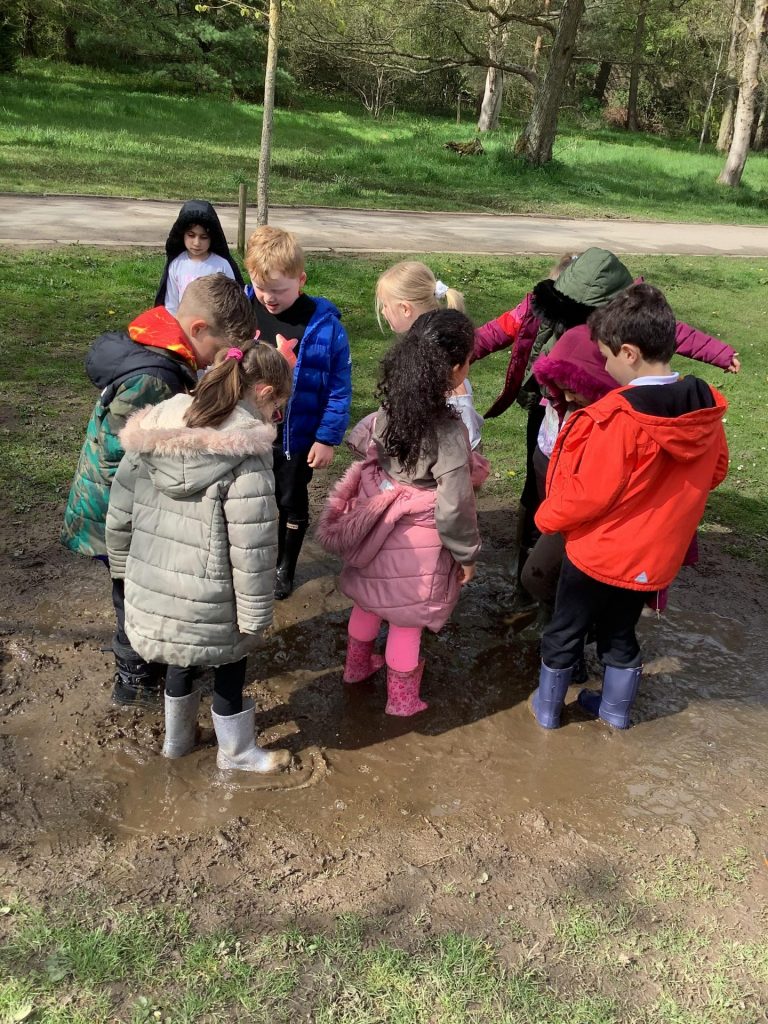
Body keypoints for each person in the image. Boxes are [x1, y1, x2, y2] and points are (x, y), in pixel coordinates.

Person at [473, 248, 740, 598]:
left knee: (588, 490)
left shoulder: (626, 329)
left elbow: (673, 333)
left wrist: (720, 352)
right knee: (538, 484)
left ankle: (563, 568)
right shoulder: (540, 305)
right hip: (550, 408)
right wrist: (453, 352)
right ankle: (527, 560)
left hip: (599, 414)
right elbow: (495, 331)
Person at [530, 284, 729, 731]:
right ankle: (615, 713)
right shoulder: (703, 408)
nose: (603, 366)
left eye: (605, 357)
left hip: (597, 554)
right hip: (653, 558)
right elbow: (715, 470)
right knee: (621, 633)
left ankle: (547, 711)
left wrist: (547, 517)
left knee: (565, 629)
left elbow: (590, 493)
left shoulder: (618, 417)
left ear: (629, 353)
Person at [61, 275, 258, 709]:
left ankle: (150, 660)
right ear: (199, 328)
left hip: (117, 504)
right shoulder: (155, 378)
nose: (215, 362)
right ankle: (134, 680)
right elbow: (129, 457)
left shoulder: (155, 347)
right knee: (131, 594)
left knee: (137, 590)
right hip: (113, 511)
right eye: (218, 351)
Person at [105, 342, 294, 773]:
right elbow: (253, 545)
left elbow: (120, 508)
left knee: (180, 654)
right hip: (214, 594)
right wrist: (254, 614)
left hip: (154, 582)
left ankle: (178, 740)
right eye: (277, 408)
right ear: (264, 392)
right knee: (230, 661)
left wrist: (121, 567)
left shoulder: (154, 427)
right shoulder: (247, 452)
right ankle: (237, 752)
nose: (275, 418)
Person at [316, 310, 485, 717]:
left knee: (368, 603)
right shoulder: (448, 432)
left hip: (376, 521)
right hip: (418, 544)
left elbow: (366, 441)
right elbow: (454, 505)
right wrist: (466, 554)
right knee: (406, 622)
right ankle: (402, 700)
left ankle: (356, 668)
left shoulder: (391, 409)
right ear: (456, 369)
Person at [244, 226, 352, 600]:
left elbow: (339, 388)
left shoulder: (326, 327)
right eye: (261, 287)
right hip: (247, 430)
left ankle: (284, 567)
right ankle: (250, 561)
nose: (269, 298)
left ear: (301, 280)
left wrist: (326, 438)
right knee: (249, 498)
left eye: (279, 289)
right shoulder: (244, 313)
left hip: (297, 436)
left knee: (290, 499)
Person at [376, 260, 484, 450]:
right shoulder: (416, 353)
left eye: (385, 305)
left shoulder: (441, 364)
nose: (383, 312)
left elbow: (467, 439)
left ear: (405, 309)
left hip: (443, 461)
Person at [156, 200, 244, 316]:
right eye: (191, 235)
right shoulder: (177, 264)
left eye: (204, 237)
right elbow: (171, 305)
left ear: (212, 238)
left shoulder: (221, 265)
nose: (197, 243)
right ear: (182, 234)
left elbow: (233, 302)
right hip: (184, 324)